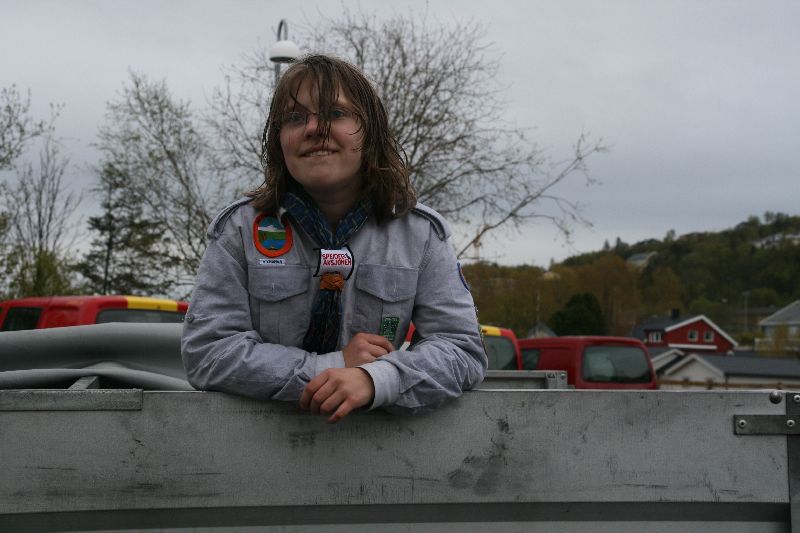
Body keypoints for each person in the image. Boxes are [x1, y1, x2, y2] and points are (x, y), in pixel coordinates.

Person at [181, 54, 486, 423]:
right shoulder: (239, 230)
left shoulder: (420, 235)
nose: (314, 128)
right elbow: (208, 353)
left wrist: (376, 380)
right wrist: (333, 366)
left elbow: (461, 350)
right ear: (278, 140)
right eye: (295, 118)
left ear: (370, 132)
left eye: (336, 113)